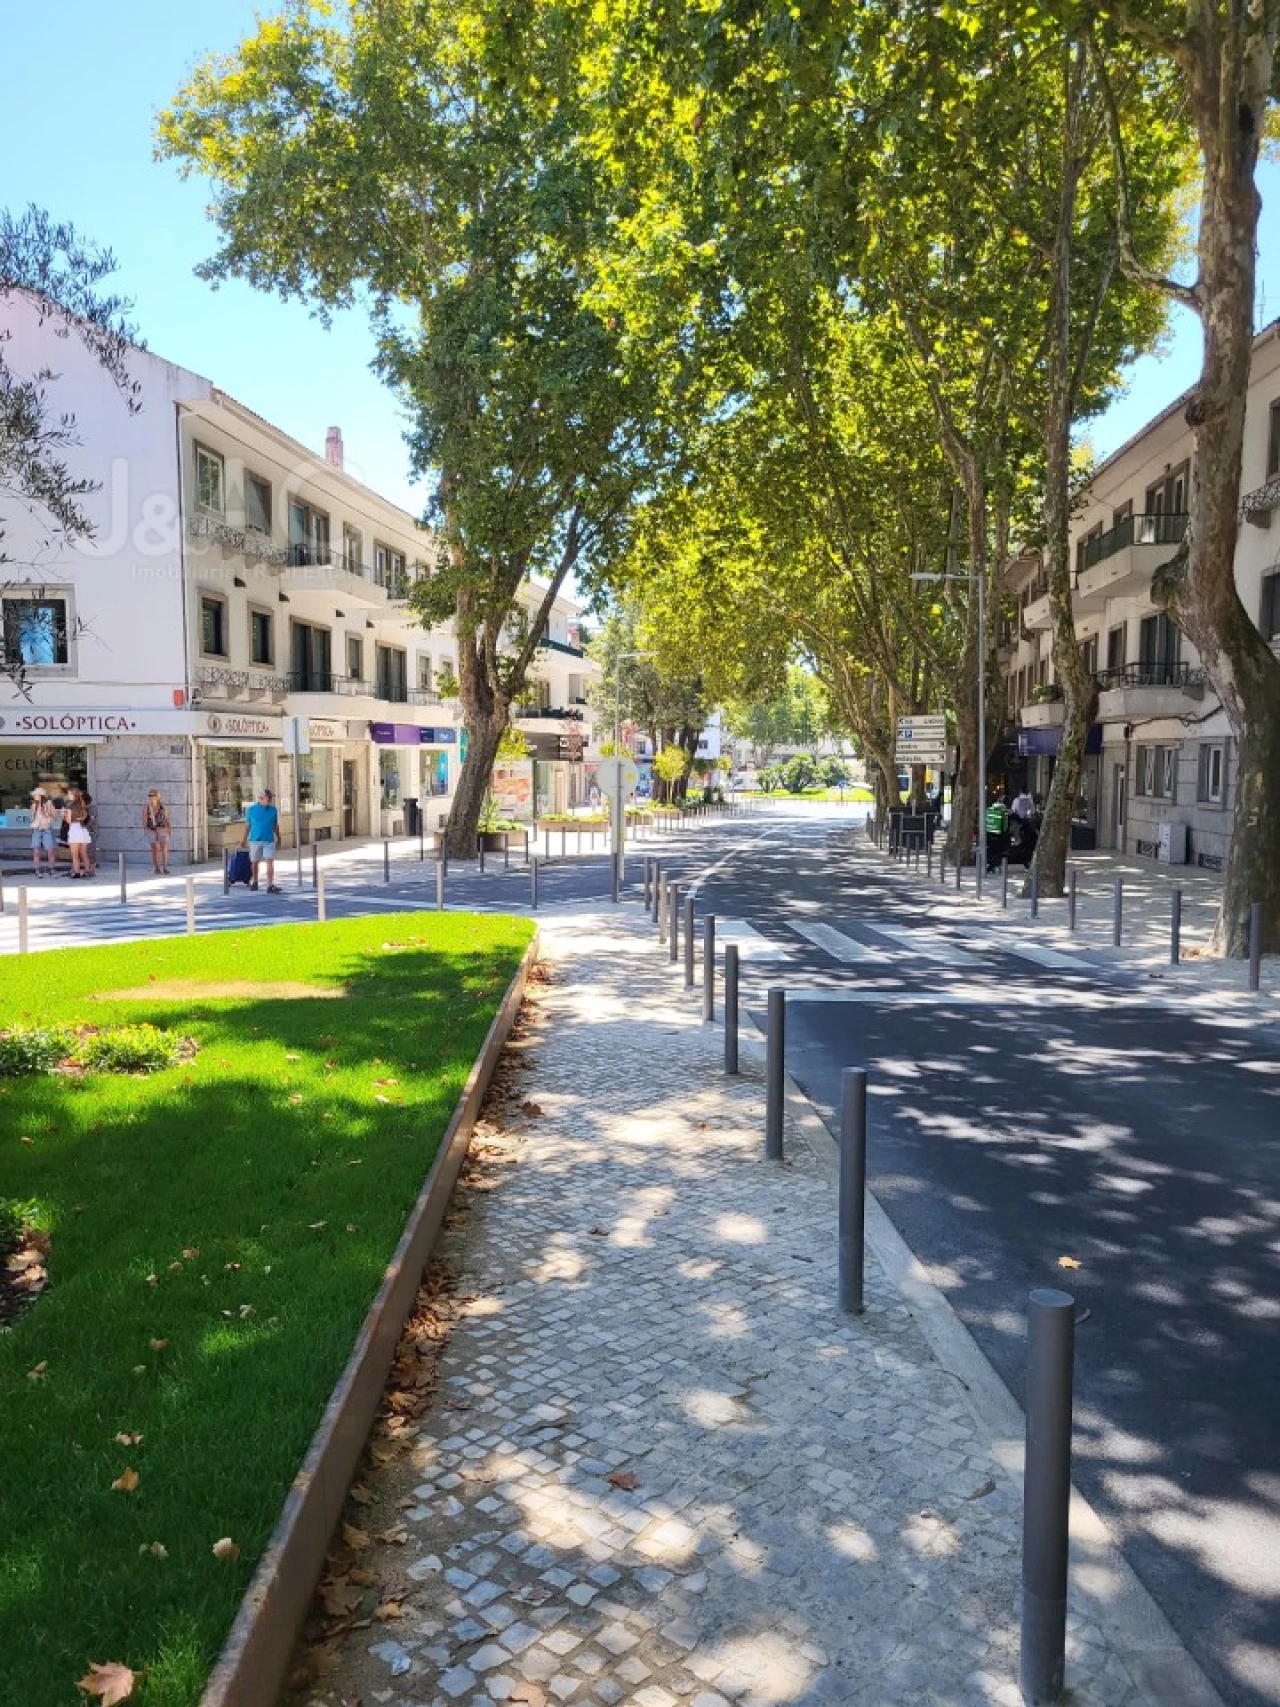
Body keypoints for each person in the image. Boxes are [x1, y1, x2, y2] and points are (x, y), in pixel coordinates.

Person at [242, 787, 281, 893]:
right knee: (255, 862)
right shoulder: (251, 810)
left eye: (270, 798)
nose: (269, 800)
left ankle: (270, 884)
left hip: (269, 839)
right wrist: (243, 839)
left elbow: (275, 825)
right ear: (261, 798)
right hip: (255, 840)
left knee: (270, 862)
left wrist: (279, 838)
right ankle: (255, 881)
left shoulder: (273, 810)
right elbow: (247, 826)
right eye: (267, 798)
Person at [30, 788, 58, 877]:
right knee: (36, 851)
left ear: (41, 796)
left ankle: (51, 869)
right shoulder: (34, 805)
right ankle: (37, 870)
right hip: (37, 829)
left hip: (46, 829)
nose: (34, 796)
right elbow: (32, 817)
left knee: (50, 851)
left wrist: (47, 818)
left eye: (36, 795)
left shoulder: (49, 804)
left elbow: (54, 817)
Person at [143, 790, 171, 875]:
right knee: (155, 849)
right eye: (149, 796)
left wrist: (169, 829)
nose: (151, 797)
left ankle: (165, 867)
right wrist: (145, 829)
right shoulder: (147, 807)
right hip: (151, 829)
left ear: (157, 796)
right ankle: (157, 868)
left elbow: (167, 818)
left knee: (164, 848)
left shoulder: (163, 807)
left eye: (152, 795)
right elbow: (144, 818)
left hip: (162, 829)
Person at [65, 789, 92, 878]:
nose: (68, 795)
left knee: (75, 854)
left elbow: (68, 821)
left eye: (69, 794)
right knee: (84, 853)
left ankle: (76, 872)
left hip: (74, 829)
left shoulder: (70, 806)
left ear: (74, 795)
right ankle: (87, 871)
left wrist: (65, 814)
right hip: (83, 830)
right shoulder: (83, 805)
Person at [984, 791, 1010, 871]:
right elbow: (1005, 827)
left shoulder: (991, 810)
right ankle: (994, 865)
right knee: (1000, 849)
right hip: (1000, 837)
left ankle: (992, 865)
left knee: (992, 849)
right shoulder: (1004, 811)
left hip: (990, 836)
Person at [82, 791, 99, 875]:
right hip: (82, 833)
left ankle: (91, 870)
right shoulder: (80, 808)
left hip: (90, 832)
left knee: (90, 851)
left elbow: (90, 821)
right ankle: (87, 869)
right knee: (84, 852)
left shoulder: (92, 808)